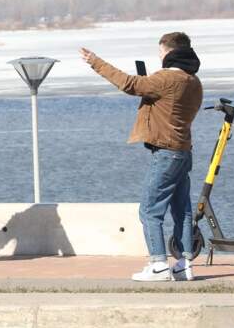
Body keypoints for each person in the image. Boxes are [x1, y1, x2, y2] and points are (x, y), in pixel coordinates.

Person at [79, 32, 202, 282]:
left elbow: (129, 84)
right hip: (183, 152)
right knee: (182, 210)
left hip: (166, 154)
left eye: (160, 53)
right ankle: (184, 264)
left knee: (149, 210)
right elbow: (168, 106)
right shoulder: (193, 81)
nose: (159, 57)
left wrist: (95, 61)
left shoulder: (166, 78)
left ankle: (158, 264)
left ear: (168, 52)